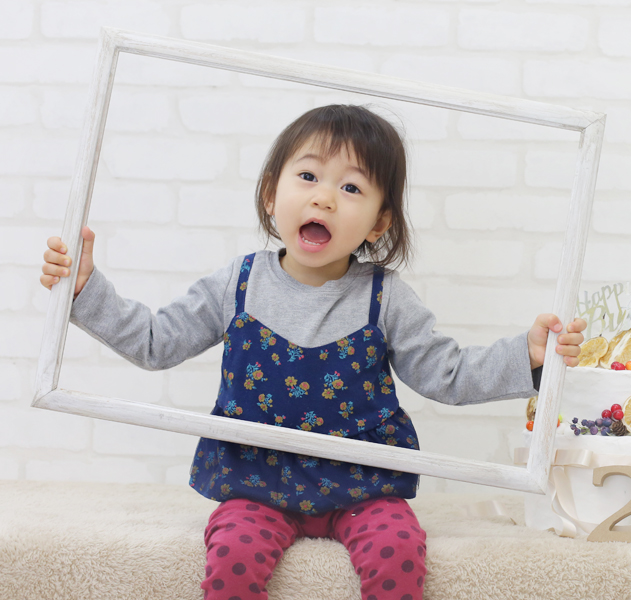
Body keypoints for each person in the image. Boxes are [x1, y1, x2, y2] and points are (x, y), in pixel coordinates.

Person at [40, 104, 586, 600]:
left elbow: (448, 374)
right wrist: (87, 290)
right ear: (270, 196)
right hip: (255, 481)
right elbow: (156, 343)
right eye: (308, 177)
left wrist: (530, 355)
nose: (324, 196)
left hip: (364, 487)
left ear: (379, 222)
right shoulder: (239, 283)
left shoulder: (385, 296)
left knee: (400, 552)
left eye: (352, 188)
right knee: (231, 557)